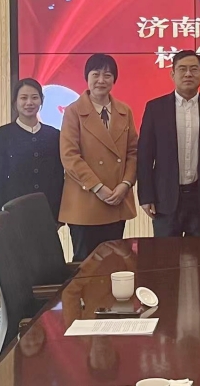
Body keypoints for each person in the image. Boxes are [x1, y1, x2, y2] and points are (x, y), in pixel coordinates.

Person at [138, 50, 200, 237]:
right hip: (165, 198)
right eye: (182, 69)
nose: (188, 74)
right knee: (166, 254)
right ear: (172, 74)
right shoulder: (155, 108)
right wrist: (146, 196)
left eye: (194, 69)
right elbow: (145, 156)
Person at [58, 54, 138, 261]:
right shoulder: (73, 111)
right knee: (86, 263)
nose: (101, 80)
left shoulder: (124, 111)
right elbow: (69, 155)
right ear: (87, 77)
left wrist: (126, 184)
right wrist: (97, 187)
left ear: (114, 80)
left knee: (113, 262)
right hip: (85, 201)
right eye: (96, 74)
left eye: (107, 75)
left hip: (116, 198)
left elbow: (133, 152)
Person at [0, 78, 64, 222]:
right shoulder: (1, 135)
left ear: (41, 100)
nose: (29, 103)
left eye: (34, 97)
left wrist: (58, 217)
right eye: (23, 98)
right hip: (12, 215)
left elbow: (58, 178)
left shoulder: (54, 135)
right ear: (15, 101)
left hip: (46, 214)